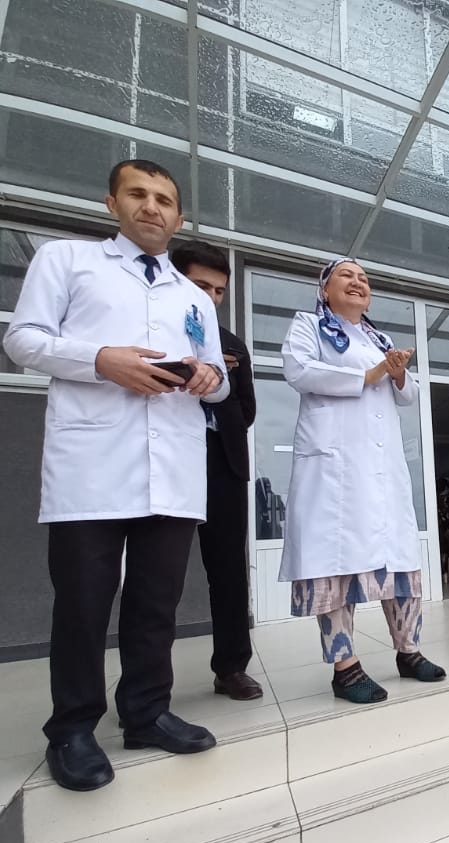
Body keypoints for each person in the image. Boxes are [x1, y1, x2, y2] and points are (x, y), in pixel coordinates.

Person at [4, 159, 228, 791]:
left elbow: (218, 380)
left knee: (156, 604)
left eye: (164, 200)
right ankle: (72, 728)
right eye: (138, 194)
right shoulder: (68, 261)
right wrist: (101, 360)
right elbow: (22, 340)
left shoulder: (193, 297)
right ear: (112, 203)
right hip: (91, 466)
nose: (151, 207)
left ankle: (146, 713)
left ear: (178, 218)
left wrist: (208, 377)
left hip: (173, 468)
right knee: (83, 603)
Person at [278, 258, 445, 703]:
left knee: (400, 561)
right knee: (335, 563)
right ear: (324, 290)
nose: (358, 282)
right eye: (347, 276)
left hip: (382, 468)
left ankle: (409, 652)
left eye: (364, 279)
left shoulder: (378, 338)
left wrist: (397, 371)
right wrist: (369, 374)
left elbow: (408, 395)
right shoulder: (308, 326)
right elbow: (298, 370)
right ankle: (346, 669)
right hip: (335, 470)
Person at [169, 241, 263, 701]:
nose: (209, 297)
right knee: (158, 570)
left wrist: (212, 391)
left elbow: (246, 410)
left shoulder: (232, 345)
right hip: (167, 457)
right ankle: (146, 685)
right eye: (199, 285)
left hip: (222, 460)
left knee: (228, 571)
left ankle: (231, 668)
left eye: (218, 290)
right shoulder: (155, 331)